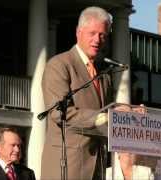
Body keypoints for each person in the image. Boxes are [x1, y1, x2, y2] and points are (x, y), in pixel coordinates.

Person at [40, 6, 114, 180]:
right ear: (78, 32)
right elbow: (60, 112)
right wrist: (101, 118)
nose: (98, 40)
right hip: (66, 167)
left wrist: (130, 115)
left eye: (102, 35)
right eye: (92, 33)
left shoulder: (104, 74)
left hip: (97, 167)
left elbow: (108, 113)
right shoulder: (59, 65)